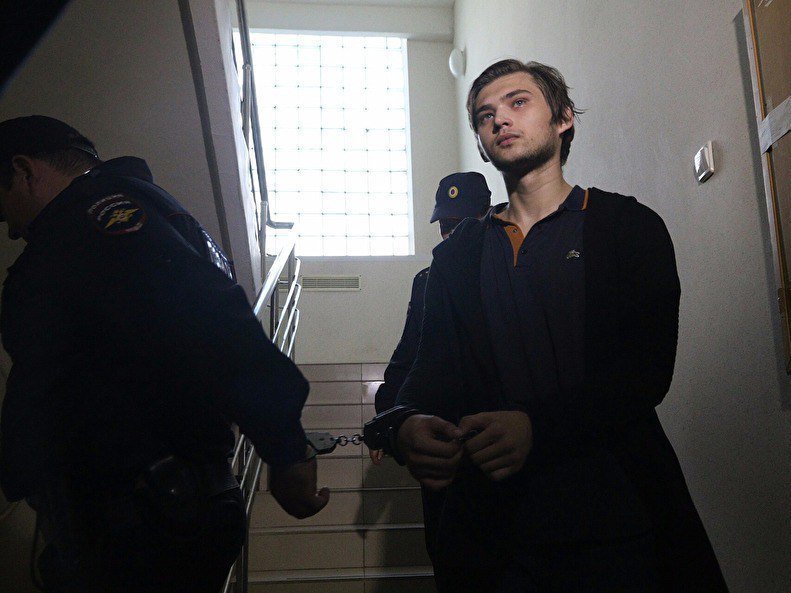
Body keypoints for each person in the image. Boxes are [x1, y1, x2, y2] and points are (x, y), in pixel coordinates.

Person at [384, 60, 729, 592]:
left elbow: (645, 372)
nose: (500, 119)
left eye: (518, 102)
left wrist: (536, 427)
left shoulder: (627, 227)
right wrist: (405, 424)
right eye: (485, 116)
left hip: (615, 519)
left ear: (564, 118)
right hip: (497, 537)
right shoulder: (456, 257)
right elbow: (428, 375)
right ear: (482, 145)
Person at [0, 115, 329, 593]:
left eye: (2, 204)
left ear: (24, 170)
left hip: (143, 524)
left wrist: (284, 447)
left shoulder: (96, 219)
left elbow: (211, 321)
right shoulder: (140, 218)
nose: (11, 230)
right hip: (145, 515)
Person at [369, 171, 491, 562]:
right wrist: (388, 418)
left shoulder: (512, 269)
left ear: (486, 214)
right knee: (447, 551)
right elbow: (409, 355)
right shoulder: (427, 280)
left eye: (462, 222)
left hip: (497, 438)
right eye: (445, 226)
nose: (451, 234)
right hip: (441, 439)